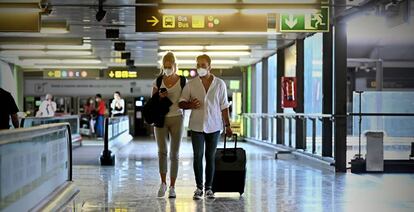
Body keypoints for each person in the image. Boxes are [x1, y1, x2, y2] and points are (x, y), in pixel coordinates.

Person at [179, 54, 232, 200]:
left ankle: (209, 188)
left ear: (210, 66)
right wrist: (190, 105)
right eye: (198, 65)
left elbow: (224, 106)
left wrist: (227, 125)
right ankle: (198, 188)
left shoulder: (219, 84)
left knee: (210, 157)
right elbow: (181, 102)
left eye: (203, 65)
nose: (200, 67)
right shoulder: (191, 84)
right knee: (198, 156)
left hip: (214, 126)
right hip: (196, 126)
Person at [152, 52, 186, 198]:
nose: (167, 68)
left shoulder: (183, 81)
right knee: (162, 151)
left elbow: (186, 99)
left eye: (169, 66)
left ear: (174, 65)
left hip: (177, 118)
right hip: (160, 119)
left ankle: (173, 186)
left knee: (174, 154)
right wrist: (159, 97)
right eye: (165, 66)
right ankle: (163, 183)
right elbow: (152, 101)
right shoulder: (158, 81)